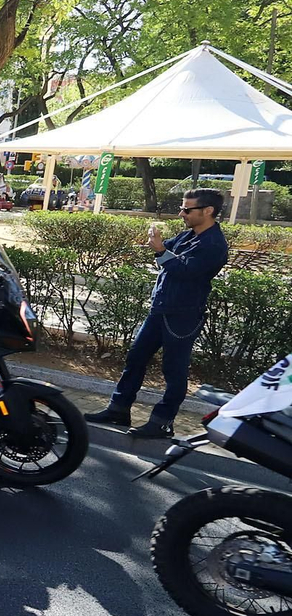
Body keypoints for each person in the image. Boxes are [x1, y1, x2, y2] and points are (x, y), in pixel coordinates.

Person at [87, 188, 230, 438]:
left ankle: (162, 422)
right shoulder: (189, 235)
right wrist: (157, 245)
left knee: (173, 370)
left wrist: (161, 251)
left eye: (187, 209)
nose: (181, 213)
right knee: (135, 358)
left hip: (183, 315)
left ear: (208, 211)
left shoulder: (214, 244)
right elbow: (165, 254)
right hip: (160, 309)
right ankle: (118, 410)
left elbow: (185, 271)